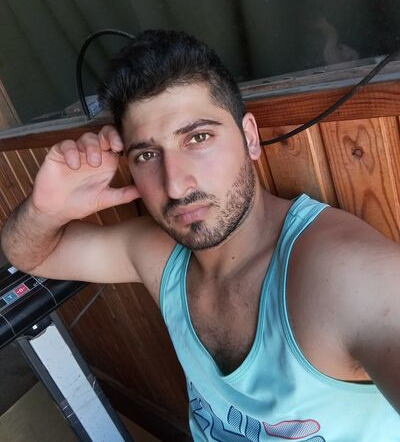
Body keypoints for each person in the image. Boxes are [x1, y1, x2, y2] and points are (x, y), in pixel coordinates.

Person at [1, 30, 399, 441]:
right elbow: (30, 254)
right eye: (147, 155)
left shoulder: (347, 275)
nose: (175, 185)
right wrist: (45, 211)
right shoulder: (158, 255)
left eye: (198, 137)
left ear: (249, 137)